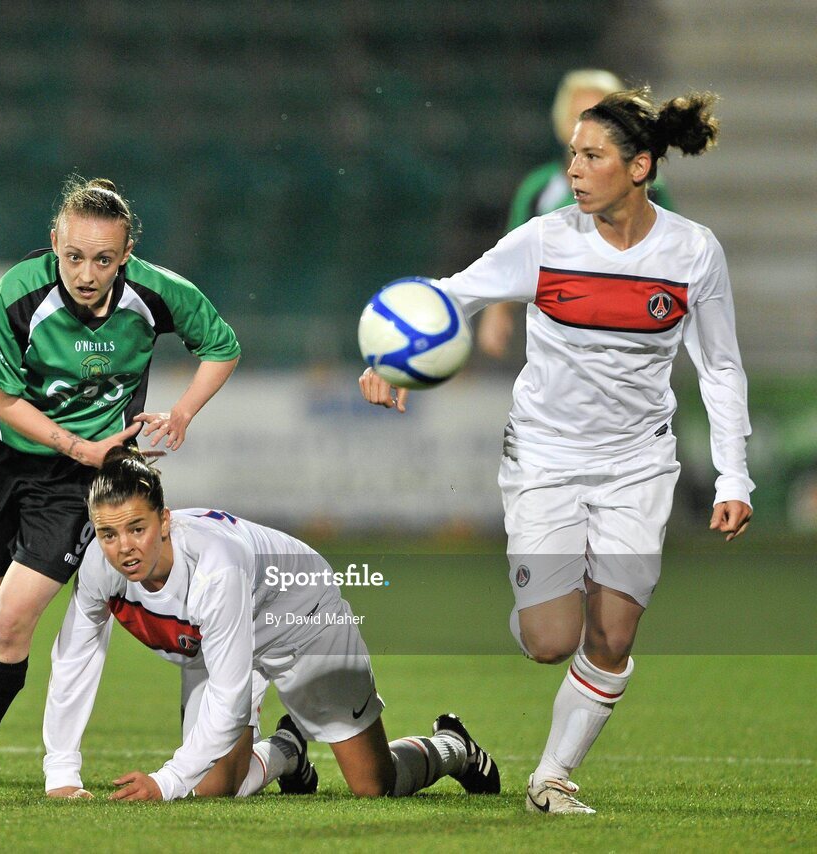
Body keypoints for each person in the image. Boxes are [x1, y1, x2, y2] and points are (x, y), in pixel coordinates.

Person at [360, 87, 753, 814]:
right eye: (573, 153)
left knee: (613, 634)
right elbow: (455, 294)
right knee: (550, 639)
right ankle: (541, 601)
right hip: (544, 455)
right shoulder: (545, 240)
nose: (574, 168)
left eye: (592, 155)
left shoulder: (693, 253)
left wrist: (735, 476)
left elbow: (721, 368)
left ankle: (553, 776)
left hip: (639, 463)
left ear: (639, 168)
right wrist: (389, 356)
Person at [0, 177, 242, 797]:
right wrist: (78, 443)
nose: (87, 273)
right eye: (74, 256)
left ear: (125, 255)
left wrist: (180, 414)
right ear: (54, 245)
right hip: (8, 458)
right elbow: (1, 400)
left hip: (81, 482)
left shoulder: (157, 292)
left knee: (12, 624)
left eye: (103, 259)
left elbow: (223, 346)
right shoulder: (15, 296)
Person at [41, 446, 501, 801]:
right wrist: (61, 773)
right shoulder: (102, 568)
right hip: (220, 638)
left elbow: (228, 693)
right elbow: (75, 657)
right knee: (216, 787)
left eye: (136, 528)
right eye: (108, 533)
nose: (123, 547)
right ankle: (288, 750)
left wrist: (168, 780)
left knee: (373, 784)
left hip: (299, 615)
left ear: (164, 521)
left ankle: (453, 747)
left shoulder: (214, 568)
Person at [478, 69, 676, 359]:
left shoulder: (647, 186)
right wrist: (498, 310)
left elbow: (673, 255)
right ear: (561, 125)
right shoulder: (539, 189)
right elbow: (516, 255)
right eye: (579, 118)